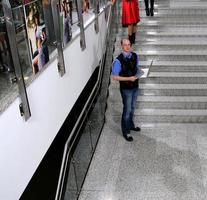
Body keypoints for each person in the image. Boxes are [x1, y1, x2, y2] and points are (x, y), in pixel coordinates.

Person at [112, 38, 141, 142]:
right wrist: (129, 78)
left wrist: (141, 72)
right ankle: (126, 132)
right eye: (125, 45)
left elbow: (137, 68)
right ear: (121, 46)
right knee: (127, 110)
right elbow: (115, 77)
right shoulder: (118, 60)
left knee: (132, 107)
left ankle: (131, 125)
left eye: (129, 44)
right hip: (126, 89)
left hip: (135, 87)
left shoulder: (135, 56)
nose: (127, 47)